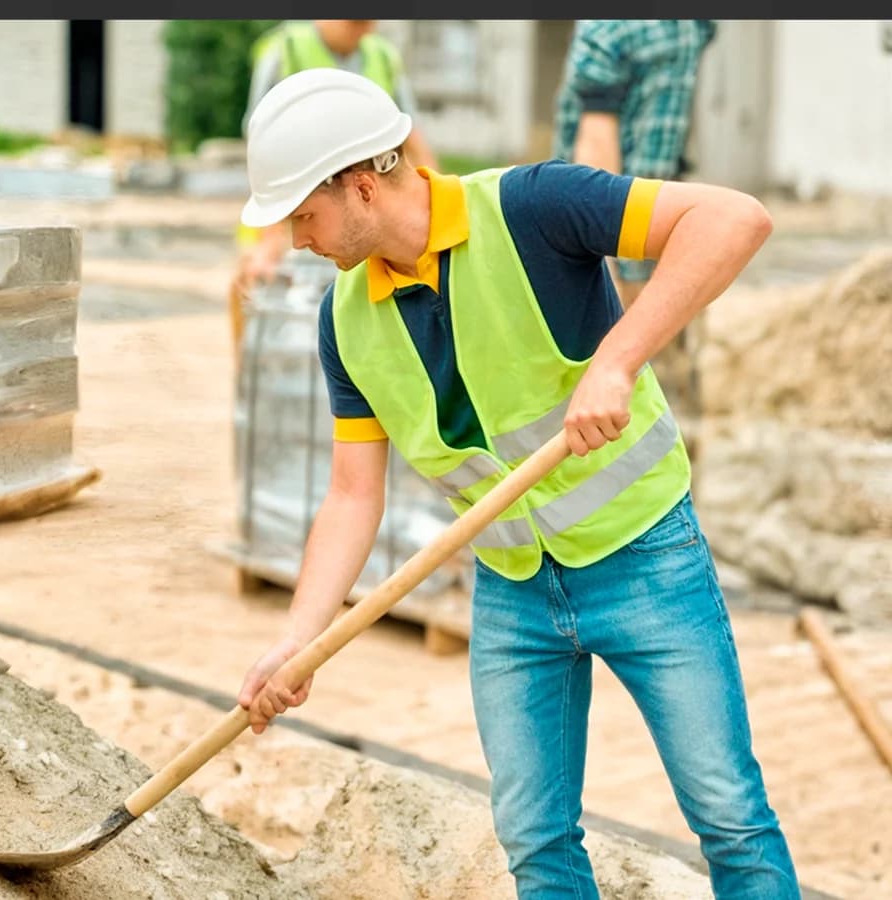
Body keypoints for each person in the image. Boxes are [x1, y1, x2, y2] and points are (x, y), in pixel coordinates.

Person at [232, 68, 798, 899]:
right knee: (535, 839)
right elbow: (353, 495)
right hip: (511, 589)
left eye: (302, 215)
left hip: (646, 558)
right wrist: (299, 638)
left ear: (360, 186)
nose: (295, 240)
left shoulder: (532, 207)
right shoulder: (343, 321)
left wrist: (617, 360)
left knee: (729, 819)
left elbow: (734, 218)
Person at [554, 20, 718, 468]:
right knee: (627, 404)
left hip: (659, 233)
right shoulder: (618, 30)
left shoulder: (686, 25)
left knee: (663, 404)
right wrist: (617, 267)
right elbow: (595, 156)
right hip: (629, 238)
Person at [230, 19, 438, 340]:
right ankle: (250, 371)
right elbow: (264, 154)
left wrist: (435, 203)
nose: (362, 29)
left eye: (367, 22)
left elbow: (412, 135)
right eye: (353, 22)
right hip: (282, 206)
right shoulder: (286, 49)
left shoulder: (382, 56)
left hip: (353, 204)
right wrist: (271, 238)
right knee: (250, 290)